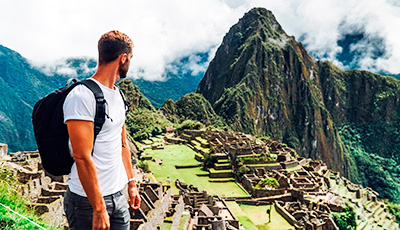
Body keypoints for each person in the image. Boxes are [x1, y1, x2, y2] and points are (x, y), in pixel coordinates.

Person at [63, 30, 141, 230]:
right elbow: (81, 156)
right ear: (123, 58)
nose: (130, 63)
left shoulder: (119, 96)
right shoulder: (81, 96)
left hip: (118, 196)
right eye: (130, 58)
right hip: (86, 202)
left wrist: (131, 182)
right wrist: (98, 208)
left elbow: (122, 143)